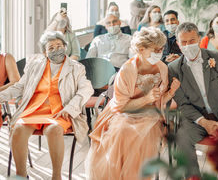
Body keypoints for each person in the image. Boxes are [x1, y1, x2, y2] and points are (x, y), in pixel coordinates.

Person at [86, 27, 180, 180]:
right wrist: (146, 99)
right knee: (122, 131)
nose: (160, 52)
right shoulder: (127, 70)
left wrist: (171, 92)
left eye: (162, 48)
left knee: (142, 135)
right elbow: (121, 106)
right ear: (141, 49)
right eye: (156, 49)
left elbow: (159, 100)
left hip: (151, 113)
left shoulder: (163, 68)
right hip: (123, 111)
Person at [0, 31, 93, 179]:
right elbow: (19, 87)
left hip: (60, 111)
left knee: (54, 130)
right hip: (33, 110)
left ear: (65, 46)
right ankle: (21, 175)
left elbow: (86, 89)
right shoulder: (35, 66)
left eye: (59, 45)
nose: (56, 50)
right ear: (44, 52)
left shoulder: (76, 67)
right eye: (51, 48)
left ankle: (56, 176)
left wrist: (70, 108)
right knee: (17, 129)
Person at [168, 22, 218, 178]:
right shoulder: (173, 68)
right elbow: (183, 104)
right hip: (199, 119)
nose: (188, 45)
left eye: (191, 41)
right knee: (182, 138)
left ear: (199, 38)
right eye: (183, 42)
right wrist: (204, 123)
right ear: (178, 44)